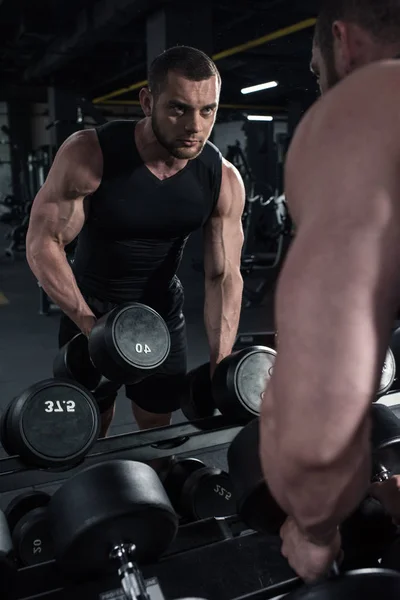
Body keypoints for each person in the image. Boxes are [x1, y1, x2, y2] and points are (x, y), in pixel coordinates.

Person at [26, 46, 245, 439]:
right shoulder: (91, 154)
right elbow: (44, 243)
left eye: (207, 110)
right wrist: (91, 326)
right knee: (94, 422)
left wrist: (220, 362)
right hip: (92, 307)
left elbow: (224, 275)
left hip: (162, 310)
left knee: (157, 424)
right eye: (179, 109)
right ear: (148, 102)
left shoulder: (221, 178)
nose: (195, 126)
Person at [259, 0, 400, 583]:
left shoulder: (371, 103)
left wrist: (313, 529)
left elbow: (318, 437)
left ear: (343, 44)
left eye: (318, 75)